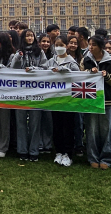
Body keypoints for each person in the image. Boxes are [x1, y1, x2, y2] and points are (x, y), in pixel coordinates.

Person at [81, 35, 111, 169]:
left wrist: (107, 76)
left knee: (107, 131)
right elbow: (79, 77)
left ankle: (107, 158)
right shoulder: (86, 60)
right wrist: (89, 73)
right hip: (91, 100)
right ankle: (93, 157)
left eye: (93, 45)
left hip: (108, 100)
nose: (90, 47)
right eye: (89, 44)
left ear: (100, 47)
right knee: (92, 131)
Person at [11, 29, 48, 161]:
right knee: (20, 122)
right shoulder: (17, 52)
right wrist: (18, 57)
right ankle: (22, 150)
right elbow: (12, 69)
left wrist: (34, 69)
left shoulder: (40, 52)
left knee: (35, 122)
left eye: (31, 35)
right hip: (20, 92)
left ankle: (33, 151)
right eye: (27, 35)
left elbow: (45, 68)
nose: (30, 38)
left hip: (35, 92)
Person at [48, 35, 80, 167]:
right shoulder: (51, 61)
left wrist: (67, 72)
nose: (59, 48)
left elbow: (78, 77)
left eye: (61, 45)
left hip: (68, 100)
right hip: (55, 99)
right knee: (57, 126)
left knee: (68, 126)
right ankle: (59, 151)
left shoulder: (72, 62)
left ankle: (68, 153)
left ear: (66, 46)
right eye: (56, 45)